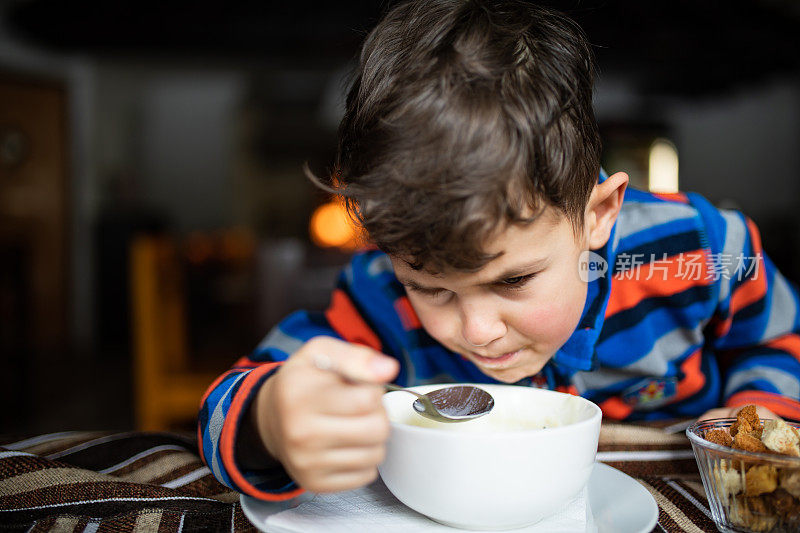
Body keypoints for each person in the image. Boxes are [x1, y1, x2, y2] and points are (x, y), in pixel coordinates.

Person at [198, 0, 800, 500]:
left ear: (597, 215)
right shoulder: (378, 295)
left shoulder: (701, 248)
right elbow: (232, 402)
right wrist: (270, 420)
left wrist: (757, 425)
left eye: (513, 281)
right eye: (431, 288)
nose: (478, 331)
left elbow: (775, 339)